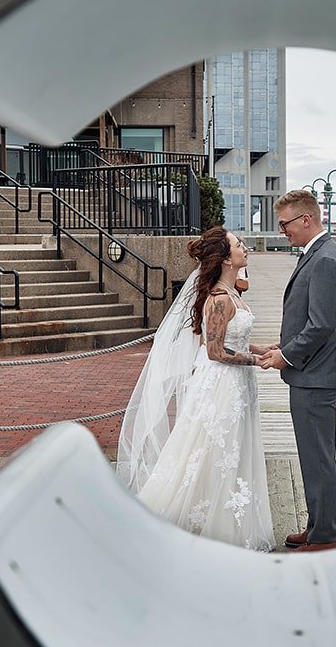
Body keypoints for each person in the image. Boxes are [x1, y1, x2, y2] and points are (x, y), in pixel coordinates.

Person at [116, 226, 276, 552]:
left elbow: (232, 339)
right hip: (222, 386)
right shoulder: (219, 299)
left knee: (229, 450)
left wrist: (260, 348)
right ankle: (202, 522)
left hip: (237, 384)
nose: (244, 248)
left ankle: (222, 519)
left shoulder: (231, 294)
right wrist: (256, 361)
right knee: (213, 450)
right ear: (226, 259)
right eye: (238, 245)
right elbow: (215, 351)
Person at [259, 190, 336, 551]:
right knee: (314, 455)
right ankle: (318, 526)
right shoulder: (319, 253)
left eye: (285, 223)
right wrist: (281, 345)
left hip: (318, 374)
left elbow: (321, 325)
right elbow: (310, 318)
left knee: (318, 457)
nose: (282, 230)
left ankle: (327, 535)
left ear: (306, 219)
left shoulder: (326, 258)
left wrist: (286, 356)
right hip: (313, 370)